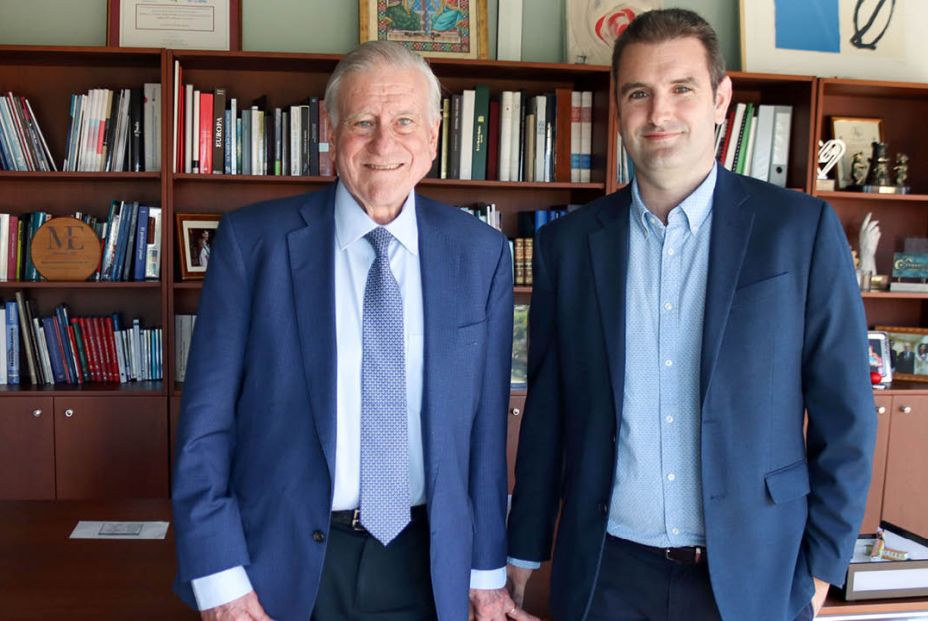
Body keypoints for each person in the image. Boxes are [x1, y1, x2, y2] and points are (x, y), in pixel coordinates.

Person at [506, 9, 876, 621]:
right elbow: (547, 415)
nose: (659, 113)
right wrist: (521, 555)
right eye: (638, 93)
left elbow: (848, 415)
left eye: (681, 88)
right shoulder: (567, 246)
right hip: (605, 575)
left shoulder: (798, 231)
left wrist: (820, 568)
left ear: (719, 100)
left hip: (755, 572)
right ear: (618, 106)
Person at [172, 41, 533, 621]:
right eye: (363, 121)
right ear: (331, 129)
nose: (384, 143)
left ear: (435, 136)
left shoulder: (481, 254)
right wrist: (219, 579)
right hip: (282, 569)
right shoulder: (251, 244)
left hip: (429, 563)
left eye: (405, 121)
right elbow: (205, 426)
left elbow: (485, 437)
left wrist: (486, 574)